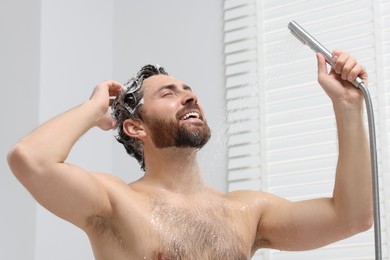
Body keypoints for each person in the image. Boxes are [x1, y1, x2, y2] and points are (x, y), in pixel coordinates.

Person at [8, 50, 372, 260]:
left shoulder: (246, 211)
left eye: (189, 91)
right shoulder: (113, 202)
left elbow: (351, 217)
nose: (189, 97)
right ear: (136, 128)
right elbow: (30, 158)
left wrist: (347, 106)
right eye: (168, 94)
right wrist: (93, 108)